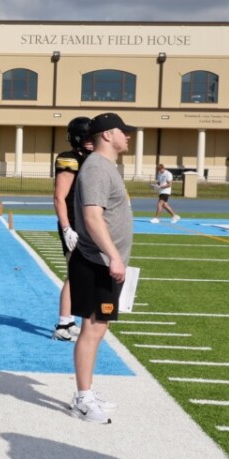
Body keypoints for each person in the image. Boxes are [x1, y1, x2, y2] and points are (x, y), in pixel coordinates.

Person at [68, 112, 135, 424]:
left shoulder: (105, 166)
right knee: (92, 328)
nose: (129, 136)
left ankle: (88, 392)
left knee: (99, 327)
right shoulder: (96, 167)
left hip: (103, 263)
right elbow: (93, 217)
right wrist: (114, 256)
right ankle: (83, 398)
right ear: (108, 135)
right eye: (124, 131)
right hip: (98, 262)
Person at [51, 116, 94, 341]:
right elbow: (59, 197)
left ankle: (67, 321)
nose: (91, 141)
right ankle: (62, 324)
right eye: (87, 137)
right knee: (75, 273)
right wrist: (67, 227)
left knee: (77, 275)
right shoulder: (69, 159)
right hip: (75, 223)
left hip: (88, 222)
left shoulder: (93, 158)